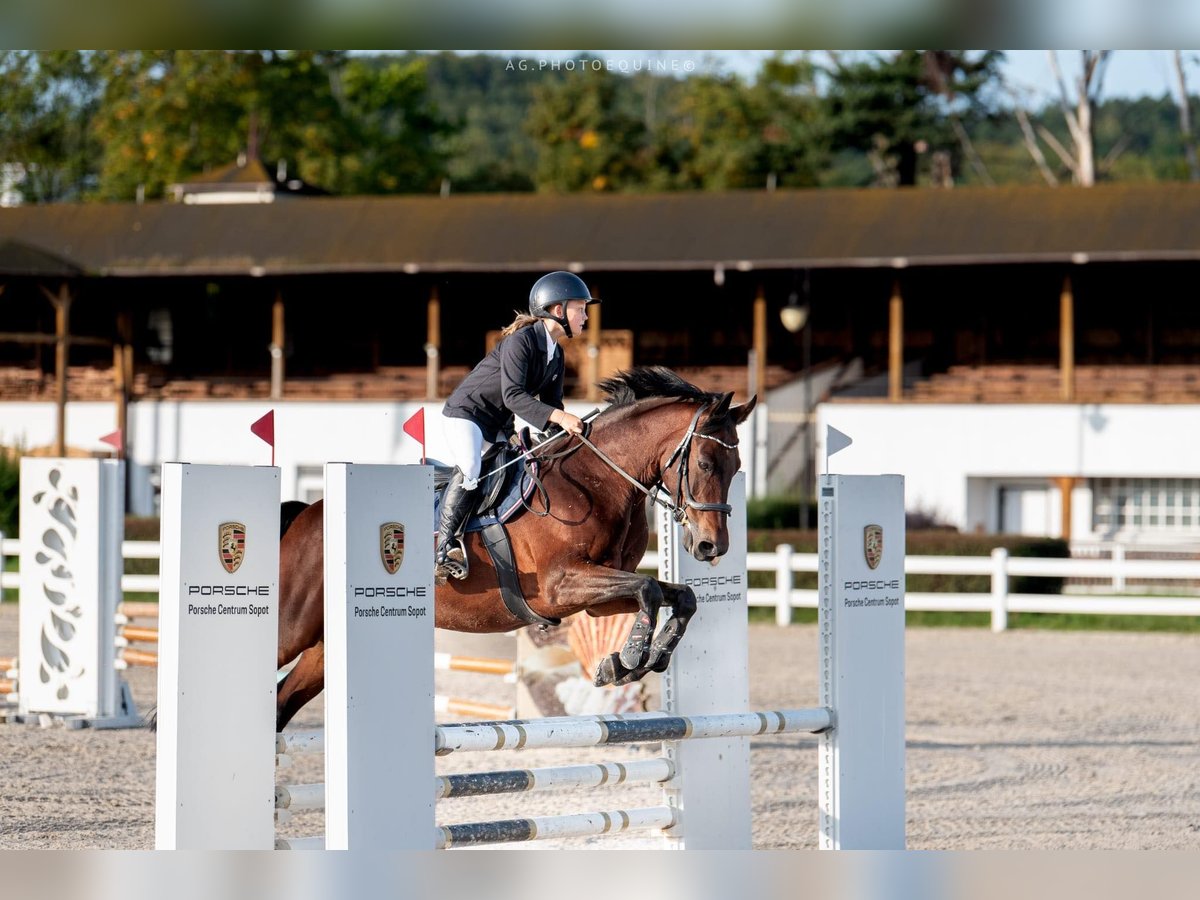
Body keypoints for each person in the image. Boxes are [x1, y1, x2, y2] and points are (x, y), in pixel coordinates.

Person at [436, 271, 599, 580]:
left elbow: (553, 407)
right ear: (558, 310)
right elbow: (513, 396)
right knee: (471, 469)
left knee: (515, 471)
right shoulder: (521, 341)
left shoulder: (556, 354)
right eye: (581, 308)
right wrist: (560, 418)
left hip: (497, 424)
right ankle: (443, 548)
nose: (586, 317)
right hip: (466, 415)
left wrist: (568, 438)